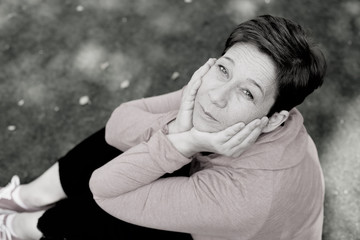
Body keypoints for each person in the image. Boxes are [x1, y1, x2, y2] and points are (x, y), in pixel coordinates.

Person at [0, 14, 326, 240]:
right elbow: (118, 126)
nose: (216, 96)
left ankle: (22, 228)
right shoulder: (218, 92)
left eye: (247, 92)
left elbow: (107, 194)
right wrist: (178, 130)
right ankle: (28, 196)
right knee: (138, 141)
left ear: (274, 119)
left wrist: (180, 144)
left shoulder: (245, 198)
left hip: (219, 230)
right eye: (224, 69)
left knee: (115, 216)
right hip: (215, 198)